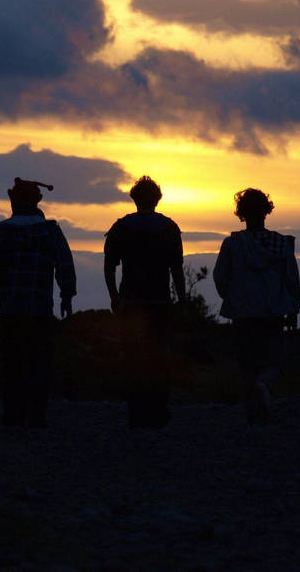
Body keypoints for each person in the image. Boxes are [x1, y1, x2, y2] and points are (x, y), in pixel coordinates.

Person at [0, 177, 76, 428]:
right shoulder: (50, 230)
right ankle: (37, 415)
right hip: (40, 307)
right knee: (39, 361)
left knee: (12, 361)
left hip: (11, 306)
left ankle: (13, 413)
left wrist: (1, 283)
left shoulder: (2, 230)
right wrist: (66, 294)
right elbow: (64, 263)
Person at [213, 188, 300, 425]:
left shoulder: (232, 244)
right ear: (266, 211)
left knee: (246, 362)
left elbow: (220, 277)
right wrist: (293, 308)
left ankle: (252, 412)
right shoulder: (282, 244)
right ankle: (265, 388)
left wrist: (232, 297)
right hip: (273, 313)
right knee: (274, 360)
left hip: (243, 312)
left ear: (242, 213)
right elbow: (291, 278)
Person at [104, 176, 186, 428]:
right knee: (160, 355)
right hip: (160, 301)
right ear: (157, 199)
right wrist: (182, 300)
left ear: (134, 198)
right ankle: (158, 411)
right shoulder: (170, 228)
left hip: (131, 301)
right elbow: (177, 269)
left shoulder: (120, 227)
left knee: (133, 356)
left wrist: (114, 296)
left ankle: (136, 412)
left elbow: (109, 266)